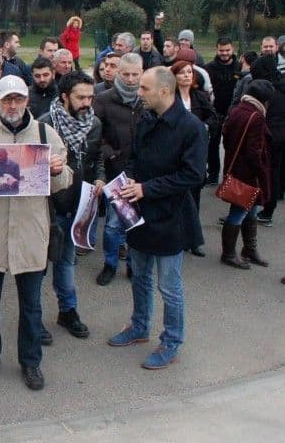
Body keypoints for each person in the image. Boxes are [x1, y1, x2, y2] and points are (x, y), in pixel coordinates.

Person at [0, 75, 73, 391]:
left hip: (31, 233)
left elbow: (66, 180)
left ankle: (31, 362)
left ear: (27, 100)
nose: (12, 105)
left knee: (31, 304)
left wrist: (59, 171)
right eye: (6, 99)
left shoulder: (46, 135)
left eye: (18, 99)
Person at [108, 67, 207, 370]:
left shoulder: (192, 128)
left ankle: (171, 341)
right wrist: (127, 181)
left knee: (169, 286)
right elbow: (135, 157)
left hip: (171, 218)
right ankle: (139, 327)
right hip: (140, 215)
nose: (139, 94)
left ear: (164, 91)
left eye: (144, 89)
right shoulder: (146, 118)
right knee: (139, 275)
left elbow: (192, 175)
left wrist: (146, 188)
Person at [37, 72, 103, 341]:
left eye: (90, 96)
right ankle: (33, 319)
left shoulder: (94, 123)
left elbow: (97, 156)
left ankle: (68, 311)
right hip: (47, 209)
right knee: (37, 269)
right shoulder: (44, 125)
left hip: (76, 206)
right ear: (64, 97)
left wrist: (100, 176)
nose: (87, 102)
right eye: (80, 97)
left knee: (66, 263)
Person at [93, 53, 143, 285]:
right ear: (118, 73)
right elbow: (95, 134)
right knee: (113, 224)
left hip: (142, 174)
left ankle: (134, 265)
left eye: (135, 74)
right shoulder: (103, 99)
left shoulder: (147, 99)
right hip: (115, 172)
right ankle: (110, 264)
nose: (131, 79)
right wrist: (109, 154)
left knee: (136, 222)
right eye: (126, 74)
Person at [219, 79, 275, 269]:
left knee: (251, 209)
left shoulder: (237, 110)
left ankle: (249, 249)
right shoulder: (256, 116)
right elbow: (255, 152)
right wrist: (263, 172)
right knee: (239, 212)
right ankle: (228, 253)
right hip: (248, 175)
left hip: (235, 170)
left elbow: (226, 137)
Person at [170, 60, 216, 256]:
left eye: (189, 72)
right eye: (182, 73)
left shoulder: (200, 96)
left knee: (194, 195)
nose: (187, 76)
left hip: (196, 151)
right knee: (177, 195)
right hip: (175, 152)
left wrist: (202, 127)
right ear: (174, 76)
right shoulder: (170, 98)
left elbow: (214, 117)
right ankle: (175, 235)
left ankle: (193, 239)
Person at [248, 55, 285, 227]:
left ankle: (258, 206)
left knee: (263, 172)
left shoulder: (267, 91)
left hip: (269, 136)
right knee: (274, 172)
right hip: (280, 136)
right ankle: (268, 209)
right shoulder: (280, 85)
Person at [204, 38, 239, 184]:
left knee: (233, 145)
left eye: (227, 50)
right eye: (221, 50)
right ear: (216, 50)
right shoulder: (209, 68)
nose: (224, 53)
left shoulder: (239, 67)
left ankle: (230, 176)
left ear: (233, 49)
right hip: (215, 112)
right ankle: (213, 174)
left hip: (234, 113)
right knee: (213, 144)